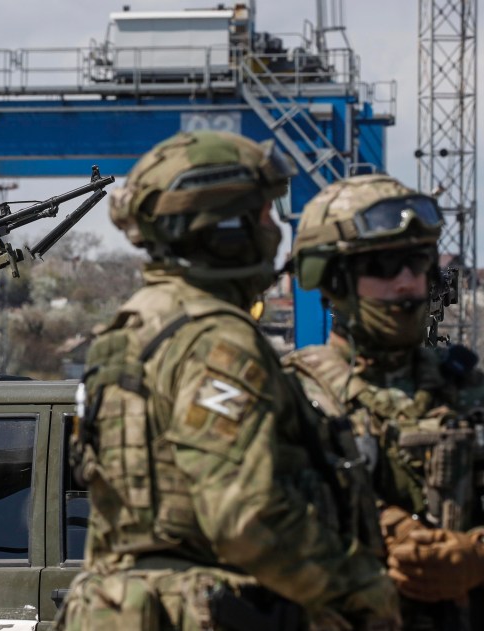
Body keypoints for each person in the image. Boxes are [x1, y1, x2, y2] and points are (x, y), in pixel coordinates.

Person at [58, 130, 398, 631]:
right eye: (262, 215)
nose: (274, 230)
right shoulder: (217, 339)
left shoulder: (130, 327)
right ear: (225, 229)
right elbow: (245, 519)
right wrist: (362, 588)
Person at [284, 173, 484, 628]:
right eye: (385, 266)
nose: (407, 284)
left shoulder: (466, 387)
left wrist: (474, 557)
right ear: (331, 276)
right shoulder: (289, 393)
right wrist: (386, 535)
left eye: (418, 263)